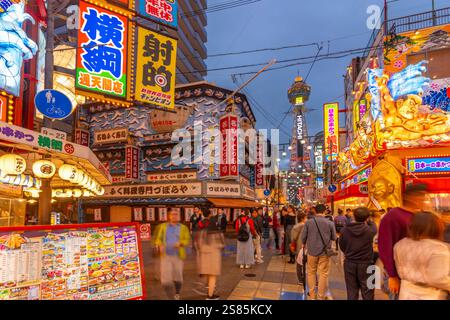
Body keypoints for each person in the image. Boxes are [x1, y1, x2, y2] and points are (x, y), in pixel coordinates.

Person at [378, 183, 429, 299]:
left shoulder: (420, 215)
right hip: (400, 274)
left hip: (418, 276)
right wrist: (392, 275)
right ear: (408, 197)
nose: (422, 199)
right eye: (420, 196)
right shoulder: (393, 216)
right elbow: (385, 246)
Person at [394, 212, 450, 300]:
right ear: (436, 228)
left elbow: (399, 269)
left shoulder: (400, 244)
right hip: (429, 294)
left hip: (406, 292)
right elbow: (437, 279)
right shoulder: (438, 248)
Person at [339, 207, 377, 300]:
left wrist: (349, 253)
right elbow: (374, 226)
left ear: (353, 216)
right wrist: (370, 220)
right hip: (368, 263)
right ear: (367, 217)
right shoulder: (370, 231)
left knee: (351, 291)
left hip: (349, 263)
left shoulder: (344, 230)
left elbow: (342, 246)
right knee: (369, 291)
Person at [152, 207, 190, 300]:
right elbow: (157, 238)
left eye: (176, 214)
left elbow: (187, 240)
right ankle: (169, 297)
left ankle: (177, 293)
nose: (174, 216)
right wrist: (159, 245)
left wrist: (180, 243)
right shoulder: (162, 227)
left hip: (178, 255)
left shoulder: (183, 228)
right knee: (165, 280)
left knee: (178, 277)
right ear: (169, 216)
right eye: (172, 214)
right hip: (165, 255)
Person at [301, 203, 337, 300]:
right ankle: (321, 296)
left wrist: (304, 243)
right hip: (324, 252)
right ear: (325, 211)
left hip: (311, 251)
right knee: (323, 274)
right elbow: (334, 237)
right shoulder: (330, 223)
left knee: (311, 272)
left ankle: (312, 296)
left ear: (315, 211)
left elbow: (303, 237)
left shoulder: (309, 222)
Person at [197, 209, 225, 300]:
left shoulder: (200, 226)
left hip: (203, 255)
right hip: (213, 255)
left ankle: (209, 290)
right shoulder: (214, 227)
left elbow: (197, 242)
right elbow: (221, 243)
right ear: (209, 215)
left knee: (209, 275)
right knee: (212, 276)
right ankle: (210, 296)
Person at [291, 212, 307, 284]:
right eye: (306, 218)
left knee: (299, 263)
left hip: (298, 247)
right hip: (305, 247)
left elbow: (293, 238)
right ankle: (306, 278)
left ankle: (300, 279)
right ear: (302, 218)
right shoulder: (306, 226)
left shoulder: (295, 227)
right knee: (306, 263)